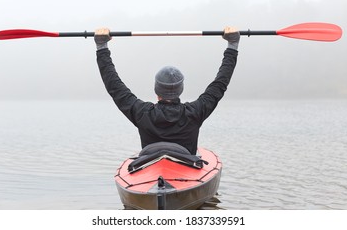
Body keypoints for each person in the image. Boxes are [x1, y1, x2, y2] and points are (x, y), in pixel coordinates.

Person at [95, 27, 240, 155]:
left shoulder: (142, 113)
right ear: (181, 89)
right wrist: (232, 44)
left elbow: (114, 86)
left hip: (150, 170)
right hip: (186, 171)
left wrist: (102, 46)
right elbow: (220, 83)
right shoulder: (195, 112)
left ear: (156, 89)